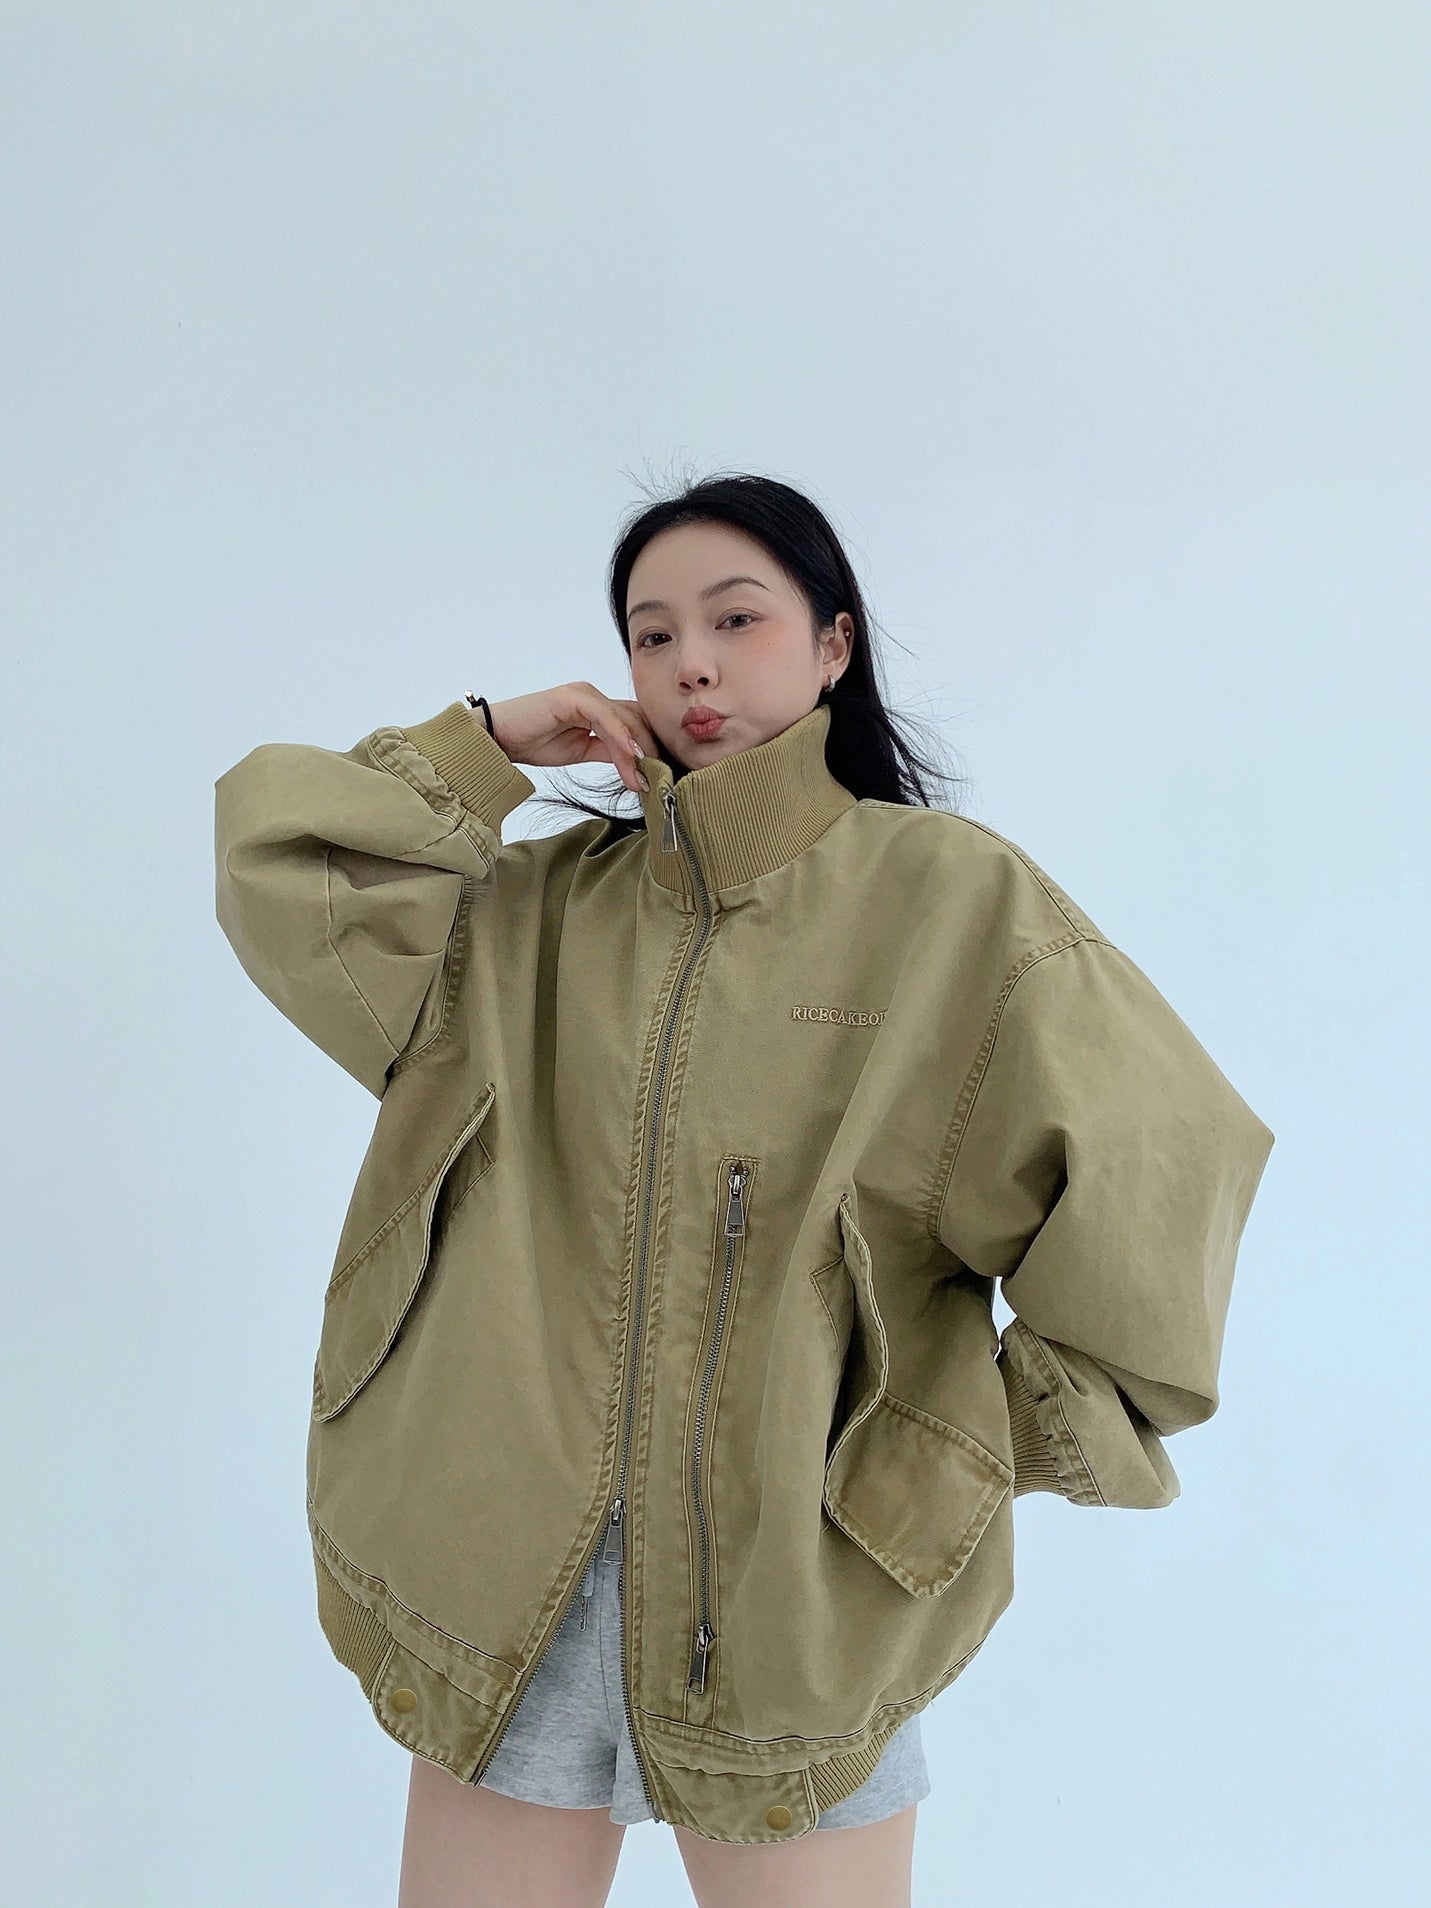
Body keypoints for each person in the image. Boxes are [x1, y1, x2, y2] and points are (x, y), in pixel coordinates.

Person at [214, 472, 1275, 1908]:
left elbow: (1165, 1161)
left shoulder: (953, 902)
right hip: (503, 1589)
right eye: (652, 635)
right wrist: (490, 744)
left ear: (834, 644)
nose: (690, 664)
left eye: (735, 618)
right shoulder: (528, 917)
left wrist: (960, 1453)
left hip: (800, 1601)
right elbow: (286, 863)